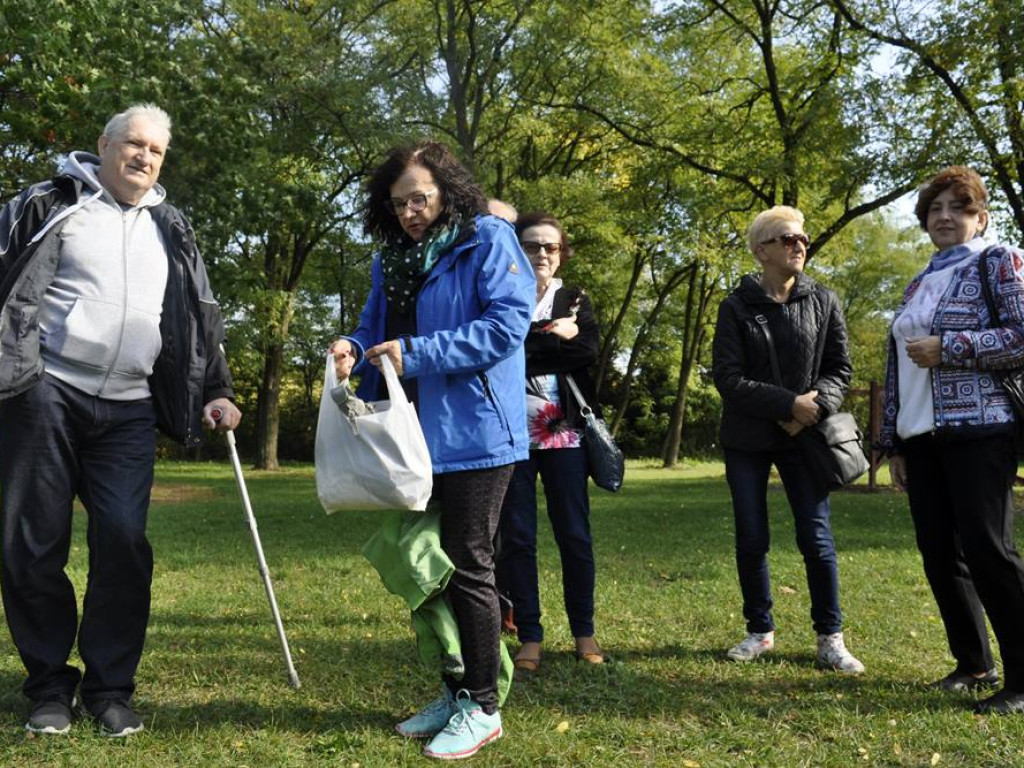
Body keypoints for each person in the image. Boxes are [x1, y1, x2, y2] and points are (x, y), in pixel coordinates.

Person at [0, 104, 241, 737]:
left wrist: (215, 386)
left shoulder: (172, 225)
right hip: (46, 391)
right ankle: (50, 687)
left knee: (124, 545)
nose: (144, 157)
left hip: (130, 408)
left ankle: (110, 690)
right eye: (134, 144)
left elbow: (199, 311)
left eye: (156, 151)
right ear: (104, 145)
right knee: (32, 544)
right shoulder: (47, 203)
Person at [329, 140, 534, 759]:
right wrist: (351, 346)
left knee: (468, 563)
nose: (410, 211)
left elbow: (506, 326)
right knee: (424, 566)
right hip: (411, 434)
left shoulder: (487, 239)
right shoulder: (389, 258)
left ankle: (484, 707)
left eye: (419, 197)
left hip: (478, 433)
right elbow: (373, 329)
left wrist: (417, 354)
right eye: (398, 203)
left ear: (446, 190)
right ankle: (456, 690)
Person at [881, 166, 1024, 714]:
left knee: (991, 552)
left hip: (979, 431)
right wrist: (893, 440)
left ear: (980, 218)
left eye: (958, 208)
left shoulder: (999, 260)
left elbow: (1020, 335)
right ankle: (973, 664)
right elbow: (897, 367)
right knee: (940, 554)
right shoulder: (919, 281)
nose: (944, 216)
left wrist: (953, 347)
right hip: (922, 436)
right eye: (935, 208)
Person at [712, 205, 864, 674]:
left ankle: (830, 639)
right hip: (747, 439)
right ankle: (760, 631)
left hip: (807, 438)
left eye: (802, 238)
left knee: (816, 537)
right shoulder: (735, 307)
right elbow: (729, 378)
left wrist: (810, 410)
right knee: (752, 536)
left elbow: (839, 368)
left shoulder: (825, 300)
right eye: (786, 239)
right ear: (761, 251)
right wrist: (787, 405)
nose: (799, 244)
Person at [495, 212, 604, 674]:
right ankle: (531, 636)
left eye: (550, 247)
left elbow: (588, 350)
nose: (541, 253)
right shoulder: (500, 295)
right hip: (507, 433)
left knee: (574, 535)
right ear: (517, 251)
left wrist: (533, 345)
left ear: (561, 254)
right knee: (518, 538)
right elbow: (497, 349)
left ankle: (585, 632)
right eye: (532, 246)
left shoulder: (575, 298)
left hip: (565, 433)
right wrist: (549, 337)